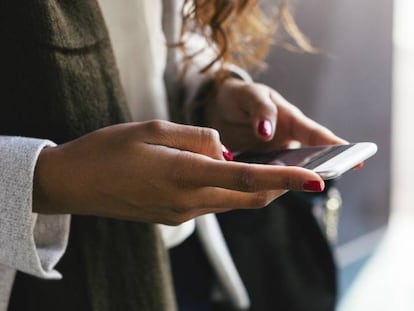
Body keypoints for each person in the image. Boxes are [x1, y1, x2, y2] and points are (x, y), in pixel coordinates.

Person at [0, 0, 346, 310]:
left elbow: (149, 30)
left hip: (176, 255)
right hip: (28, 275)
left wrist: (208, 95)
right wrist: (48, 181)